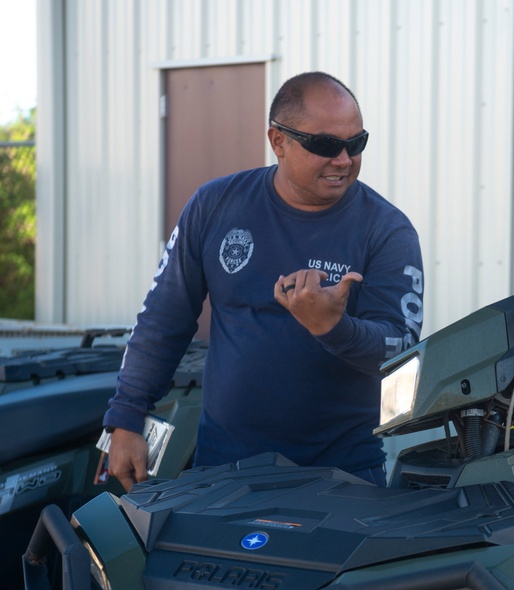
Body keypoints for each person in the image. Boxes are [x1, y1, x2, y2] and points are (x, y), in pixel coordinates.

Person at [104, 72, 424, 490]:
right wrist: (125, 419)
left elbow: (402, 353)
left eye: (356, 143)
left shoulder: (387, 230)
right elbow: (164, 319)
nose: (344, 159)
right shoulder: (215, 205)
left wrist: (333, 327)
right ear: (278, 141)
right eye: (326, 145)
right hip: (223, 470)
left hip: (344, 476)